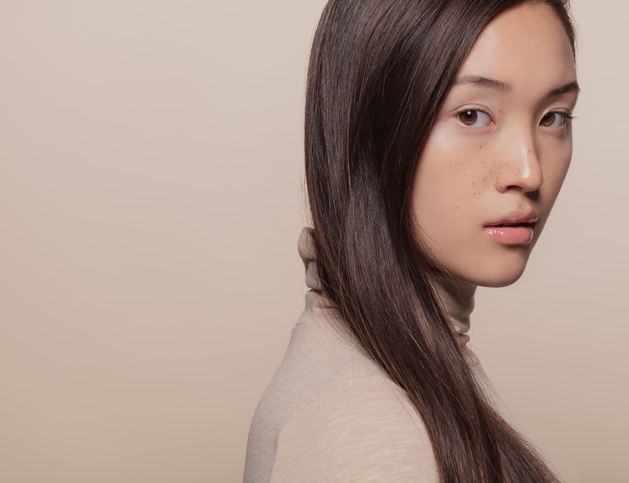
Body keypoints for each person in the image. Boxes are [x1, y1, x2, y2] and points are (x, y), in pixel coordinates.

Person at [244, 0, 579, 481]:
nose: (529, 171)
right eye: (472, 115)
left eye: (553, 117)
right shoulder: (368, 423)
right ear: (368, 130)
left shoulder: (407, 372)